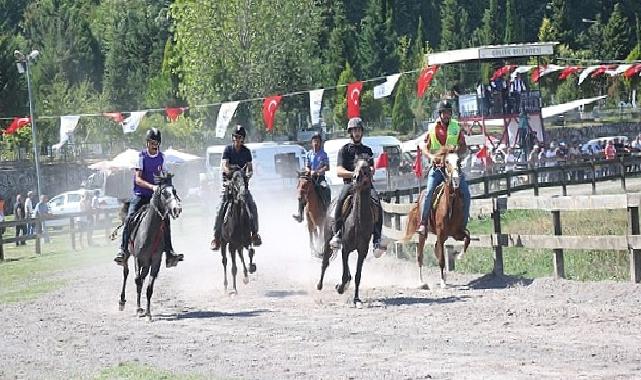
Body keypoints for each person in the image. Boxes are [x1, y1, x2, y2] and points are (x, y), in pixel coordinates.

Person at [114, 128, 183, 267]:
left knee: (166, 220)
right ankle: (122, 251)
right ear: (147, 143)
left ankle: (169, 252)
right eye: (152, 142)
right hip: (141, 195)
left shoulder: (162, 158)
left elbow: (165, 176)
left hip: (156, 198)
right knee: (130, 218)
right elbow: (138, 180)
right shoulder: (141, 157)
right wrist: (152, 187)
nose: (154, 145)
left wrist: (169, 188)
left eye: (156, 142)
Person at [328, 117, 384, 256]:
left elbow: (372, 169)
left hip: (366, 185)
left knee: (377, 202)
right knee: (341, 201)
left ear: (362, 132)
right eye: (354, 130)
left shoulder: (367, 150)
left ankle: (377, 238)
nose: (357, 133)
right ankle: (338, 232)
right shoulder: (344, 150)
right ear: (350, 132)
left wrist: (368, 172)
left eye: (359, 130)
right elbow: (339, 171)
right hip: (350, 184)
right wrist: (355, 173)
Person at [417, 100, 471, 236]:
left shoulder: (456, 127)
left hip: (453, 168)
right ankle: (423, 223)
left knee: (466, 193)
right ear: (440, 114)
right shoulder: (432, 129)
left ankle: (462, 225)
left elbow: (464, 146)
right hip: (437, 169)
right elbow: (424, 147)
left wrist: (458, 150)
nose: (446, 115)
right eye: (444, 113)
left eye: (448, 112)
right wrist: (431, 156)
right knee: (429, 192)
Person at [210, 125, 262, 250]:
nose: (238, 140)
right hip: (229, 186)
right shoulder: (228, 150)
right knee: (220, 208)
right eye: (236, 137)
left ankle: (254, 234)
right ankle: (216, 237)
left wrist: (246, 176)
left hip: (243, 187)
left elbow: (250, 169)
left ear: (243, 139)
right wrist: (231, 173)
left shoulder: (247, 152)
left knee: (252, 205)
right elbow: (225, 165)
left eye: (240, 137)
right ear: (233, 138)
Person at [292, 132, 330, 223]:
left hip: (320, 178)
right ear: (311, 142)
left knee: (326, 189)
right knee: (302, 191)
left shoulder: (323, 154)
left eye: (317, 141)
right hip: (310, 178)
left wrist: (318, 172)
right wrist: (308, 170)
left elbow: (327, 167)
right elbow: (307, 165)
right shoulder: (309, 154)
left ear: (320, 143)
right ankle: (300, 213)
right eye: (314, 141)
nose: (316, 143)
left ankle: (327, 210)